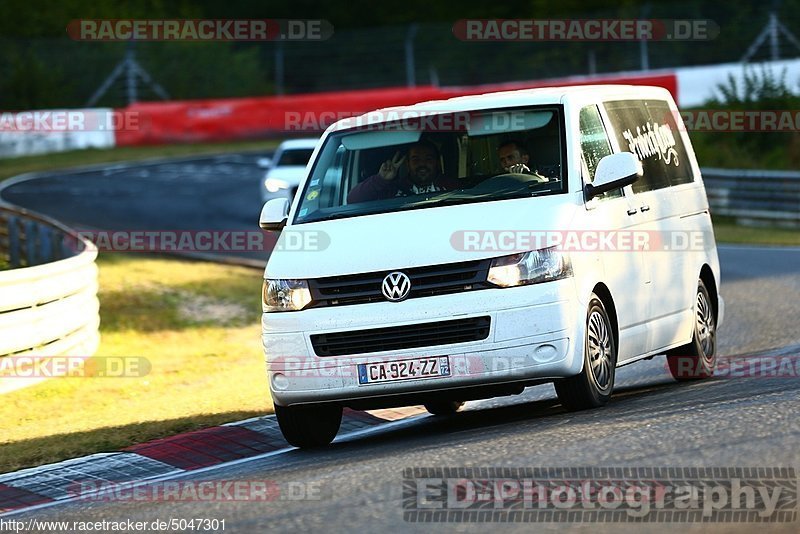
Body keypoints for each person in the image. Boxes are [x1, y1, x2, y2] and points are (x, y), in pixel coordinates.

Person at [347, 141, 460, 203]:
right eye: (416, 159)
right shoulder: (392, 189)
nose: (422, 164)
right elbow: (353, 199)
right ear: (408, 164)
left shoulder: (452, 186)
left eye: (428, 159)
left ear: (437, 162)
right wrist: (380, 179)